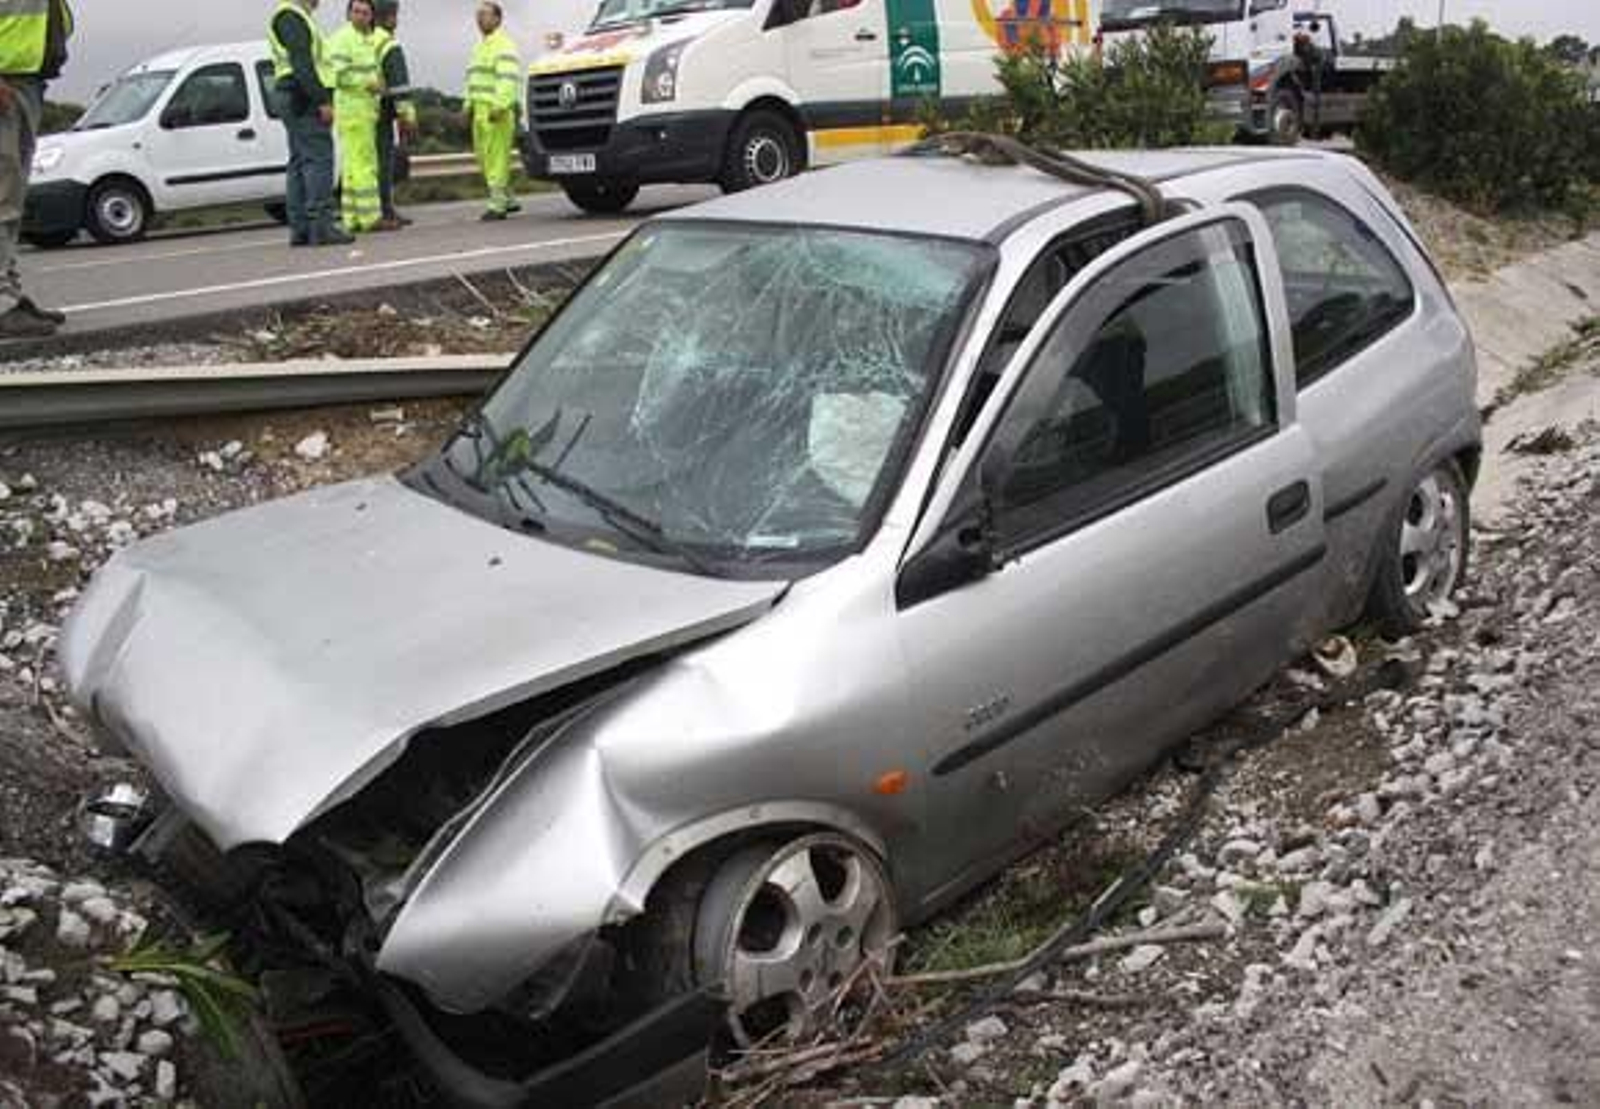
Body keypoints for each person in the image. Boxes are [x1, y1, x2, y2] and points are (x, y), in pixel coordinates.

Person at [0, 0, 74, 338]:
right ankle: (3, 305)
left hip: (23, 85)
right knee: (3, 199)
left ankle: (8, 294)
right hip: (7, 85)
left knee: (10, 201)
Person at [269, 0, 351, 246]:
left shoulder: (292, 16)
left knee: (299, 161)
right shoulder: (291, 16)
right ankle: (321, 227)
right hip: (302, 95)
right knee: (319, 159)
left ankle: (302, 229)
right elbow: (302, 63)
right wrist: (322, 100)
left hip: (291, 93)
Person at [326, 0, 384, 234]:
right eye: (356, 11)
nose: (361, 16)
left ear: (371, 16)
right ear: (348, 14)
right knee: (364, 164)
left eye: (365, 12)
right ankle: (371, 217)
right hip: (353, 109)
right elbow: (336, 75)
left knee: (351, 166)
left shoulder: (366, 40)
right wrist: (368, 84)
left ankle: (352, 218)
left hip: (361, 109)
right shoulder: (342, 39)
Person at [467, 2, 522, 222]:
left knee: (496, 159)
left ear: (498, 19)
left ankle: (497, 206)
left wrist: (500, 106)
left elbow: (507, 78)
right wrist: (467, 105)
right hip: (480, 111)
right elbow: (471, 78)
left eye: (485, 15)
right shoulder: (479, 47)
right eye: (478, 15)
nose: (480, 19)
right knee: (485, 159)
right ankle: (508, 199)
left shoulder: (504, 45)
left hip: (495, 111)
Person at [373, 0, 416, 230]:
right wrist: (406, 117)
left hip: (361, 112)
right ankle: (386, 210)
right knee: (383, 162)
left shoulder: (364, 40)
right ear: (390, 17)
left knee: (368, 165)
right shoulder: (388, 44)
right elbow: (399, 87)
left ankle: (375, 210)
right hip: (382, 113)